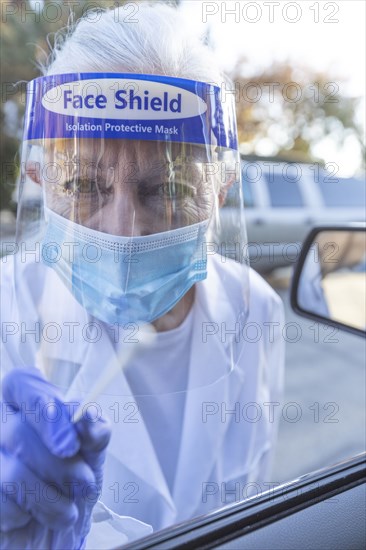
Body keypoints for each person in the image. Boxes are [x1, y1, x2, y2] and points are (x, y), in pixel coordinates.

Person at [0, 3, 285, 549]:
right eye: (84, 185)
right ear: (39, 182)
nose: (126, 233)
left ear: (219, 195)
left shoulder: (257, 309)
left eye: (169, 189)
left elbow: (255, 500)